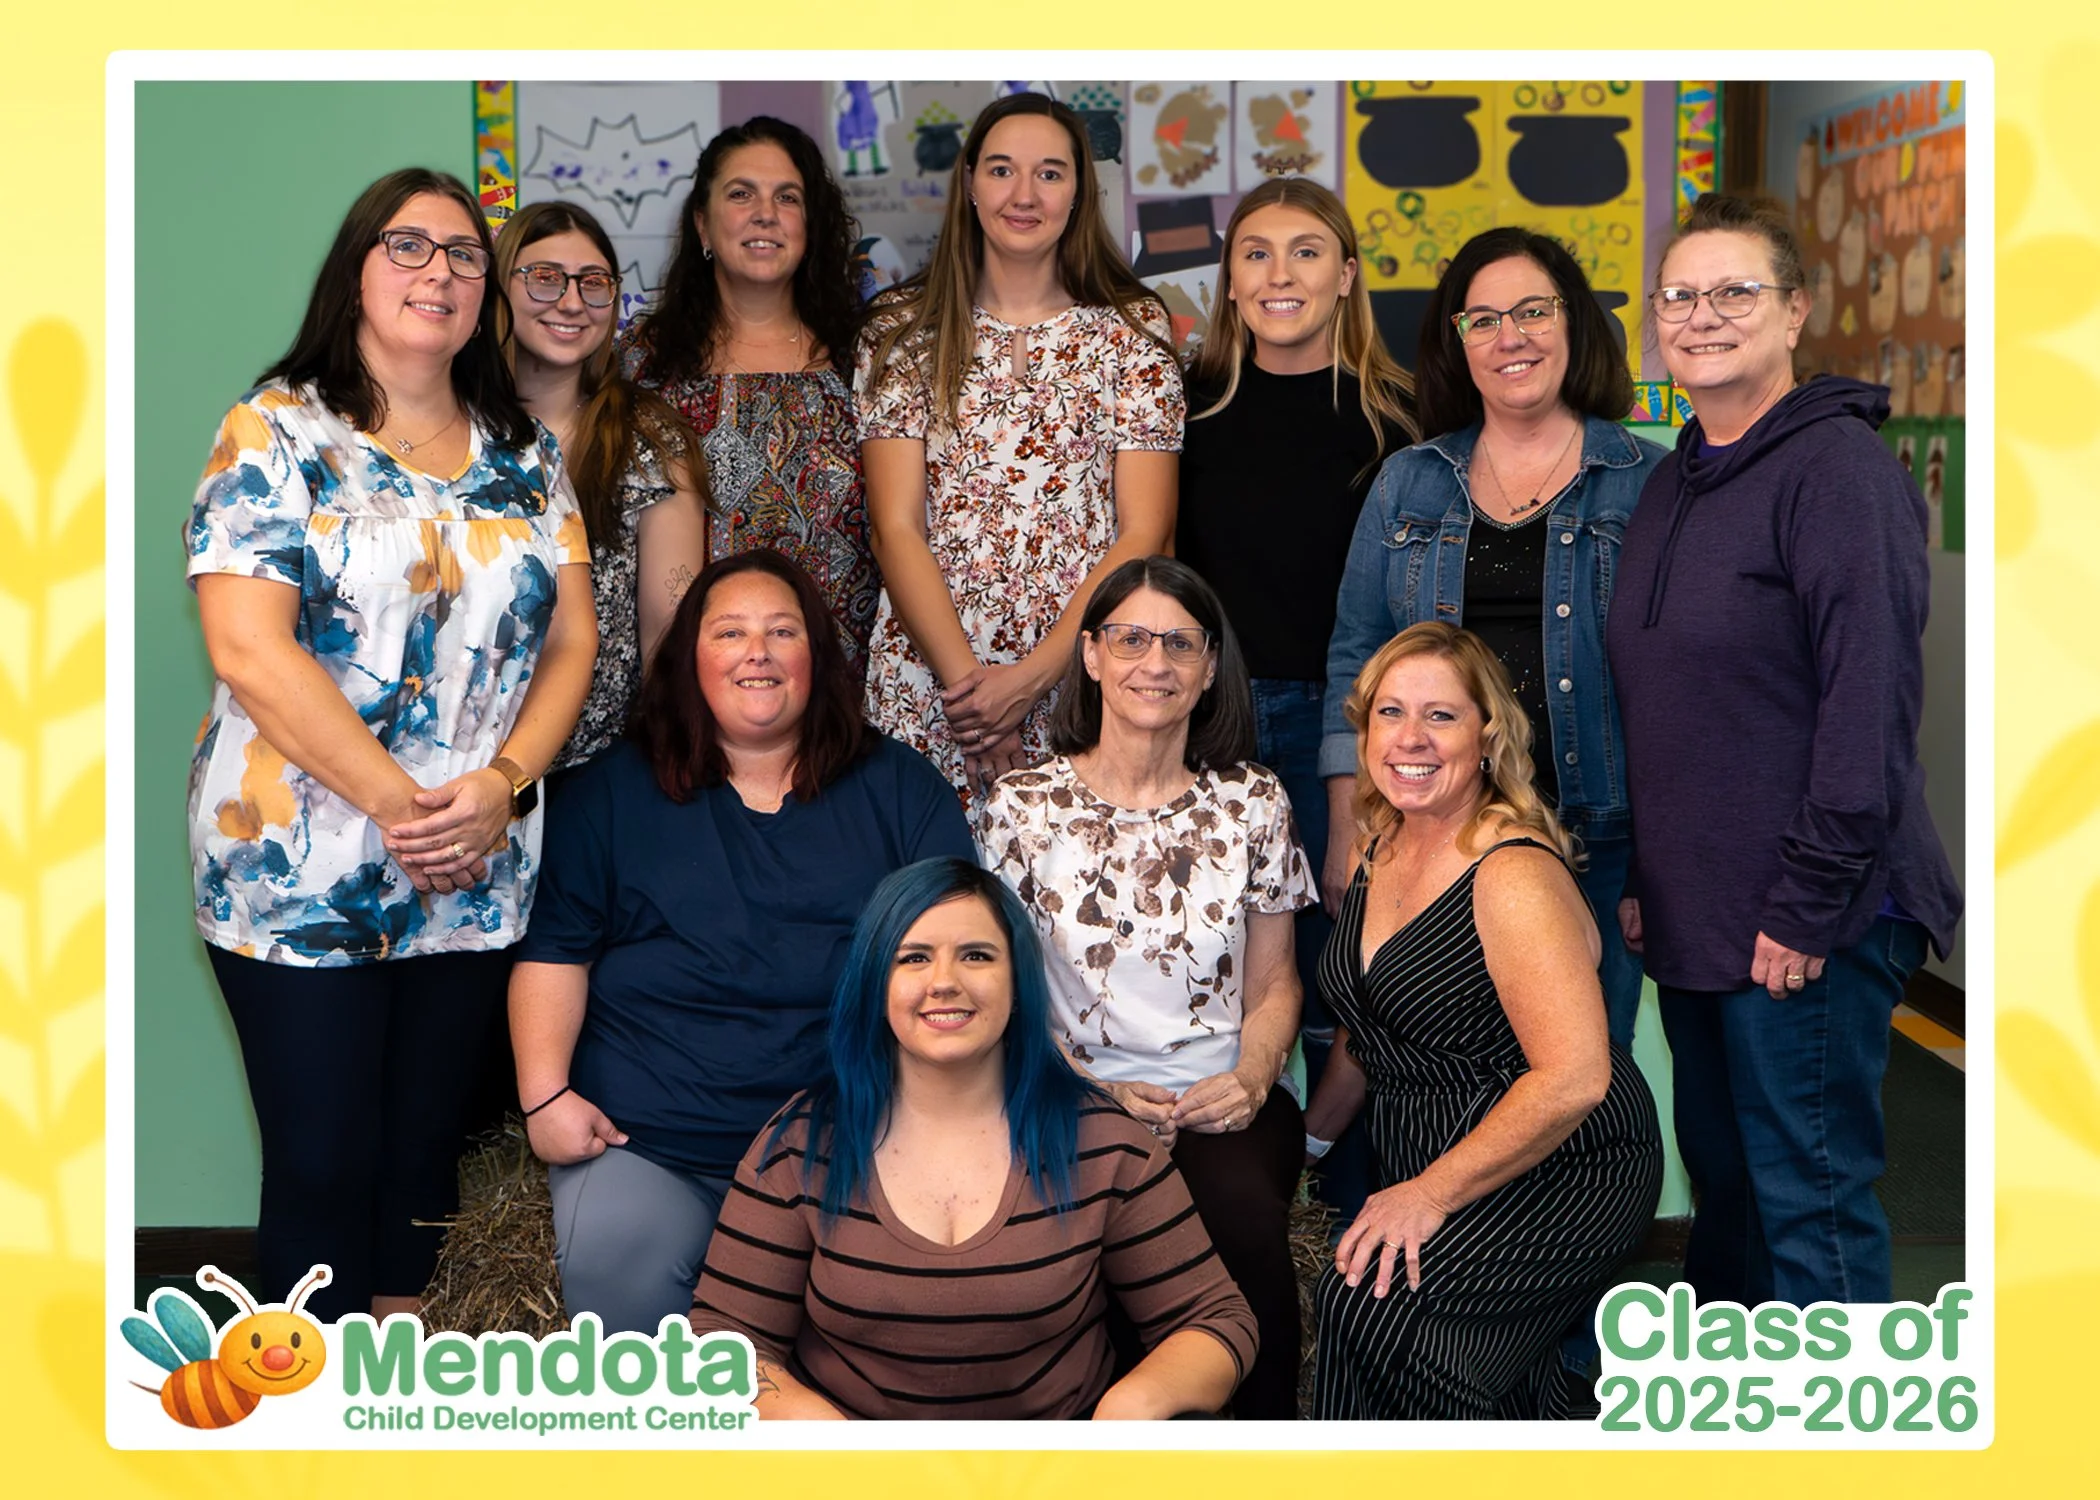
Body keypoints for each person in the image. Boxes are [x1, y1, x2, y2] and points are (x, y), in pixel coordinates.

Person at [184, 167, 596, 1323]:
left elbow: (573, 643)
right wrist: (408, 808)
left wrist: (504, 789)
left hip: (474, 866)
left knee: (423, 1174)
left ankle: (393, 1410)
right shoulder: (274, 430)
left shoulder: (524, 449)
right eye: (410, 248)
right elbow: (249, 649)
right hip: (298, 870)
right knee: (321, 1165)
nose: (442, 273)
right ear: (355, 273)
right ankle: (302, 1429)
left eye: (466, 255)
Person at [1607, 193, 1961, 1308]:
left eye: (1735, 292)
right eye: (1680, 295)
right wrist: (1646, 881)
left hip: (1808, 916)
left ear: (1795, 311)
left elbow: (1869, 709)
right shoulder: (1676, 476)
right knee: (1734, 1202)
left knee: (1809, 1207)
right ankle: (1742, 1425)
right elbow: (1677, 706)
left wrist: (1804, 904)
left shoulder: (1837, 472)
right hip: (1701, 913)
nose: (1702, 316)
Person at [508, 549, 974, 1335]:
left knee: (880, 1322)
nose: (756, 652)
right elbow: (556, 952)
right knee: (615, 1260)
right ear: (691, 660)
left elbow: (961, 956)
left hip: (854, 1143)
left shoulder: (900, 788)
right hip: (653, 1144)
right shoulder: (611, 793)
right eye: (730, 633)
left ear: (816, 659)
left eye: (781, 632)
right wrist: (545, 1096)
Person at [692, 858, 1258, 1419]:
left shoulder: (1104, 1142)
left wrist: (1127, 1412)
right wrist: (829, 1442)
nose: (944, 982)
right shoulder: (804, 1141)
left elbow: (1215, 1319)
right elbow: (721, 1341)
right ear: (874, 984)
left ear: (1018, 985)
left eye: (976, 956)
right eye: (913, 958)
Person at [979, 556, 1316, 1419]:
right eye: (1129, 638)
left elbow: (1277, 982)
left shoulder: (1253, 803)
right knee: (1085, 1241)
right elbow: (1002, 999)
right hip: (1071, 1094)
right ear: (1090, 656)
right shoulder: (1022, 808)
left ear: (1210, 669)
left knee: (1237, 1223)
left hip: (1223, 1100)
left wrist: (1248, 1080)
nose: (1153, 663)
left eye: (1179, 643)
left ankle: (1260, 1459)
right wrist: (1088, 1090)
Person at [1322, 227, 1666, 1056]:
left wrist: (1663, 866)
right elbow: (1356, 654)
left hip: (1598, 831)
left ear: (1575, 323)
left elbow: (1676, 690)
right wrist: (1347, 826)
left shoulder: (1647, 480)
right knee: (1428, 1057)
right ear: (1459, 343)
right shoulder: (1411, 479)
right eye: (1481, 319)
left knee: (1576, 1068)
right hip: (1436, 829)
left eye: (1532, 311)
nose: (1509, 336)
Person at [1306, 623, 1661, 1419]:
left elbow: (1573, 1078)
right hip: (1442, 1152)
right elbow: (1373, 1029)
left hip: (1564, 1165)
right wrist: (1306, 1146)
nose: (1410, 738)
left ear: (1488, 735)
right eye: (1390, 713)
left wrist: (1427, 1196)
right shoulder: (1382, 842)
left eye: (1441, 716)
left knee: (1373, 1312)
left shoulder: (1510, 873)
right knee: (1485, 1374)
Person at [1178, 175, 1420, 1222]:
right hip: (1209, 727)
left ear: (1347, 276)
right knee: (1211, 969)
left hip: (1345, 734)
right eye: (1258, 253)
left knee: (1344, 975)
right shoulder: (1185, 413)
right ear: (1229, 281)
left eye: (1307, 251)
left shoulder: (1395, 424)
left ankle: (1349, 1208)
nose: (1282, 274)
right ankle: (1230, 1198)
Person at [858, 91, 1182, 814]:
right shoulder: (901, 329)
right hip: (933, 680)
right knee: (934, 906)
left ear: (1079, 191)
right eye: (1002, 170)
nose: (1025, 194)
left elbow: (1144, 531)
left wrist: (1031, 680)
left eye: (1050, 173)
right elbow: (895, 527)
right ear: (969, 184)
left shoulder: (1133, 330)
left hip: (1085, 673)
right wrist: (975, 698)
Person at [622, 117, 876, 666]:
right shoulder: (643, 364)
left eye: (788, 197)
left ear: (811, 225)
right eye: (742, 194)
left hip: (849, 688)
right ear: (703, 226)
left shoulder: (867, 359)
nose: (766, 213)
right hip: (698, 689)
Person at [494, 200, 707, 775]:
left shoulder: (650, 439)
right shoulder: (451, 429)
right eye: (544, 278)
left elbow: (672, 629)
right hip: (453, 766)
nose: (570, 302)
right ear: (498, 287)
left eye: (593, 283)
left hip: (597, 771)